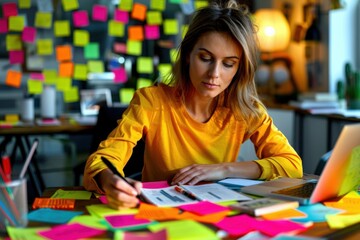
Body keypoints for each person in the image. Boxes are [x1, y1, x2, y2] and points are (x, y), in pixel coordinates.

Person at [83, 0, 303, 209]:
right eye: (206, 58)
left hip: (217, 214)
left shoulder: (245, 110)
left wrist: (223, 169)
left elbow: (292, 165)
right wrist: (109, 180)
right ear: (188, 55)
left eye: (228, 64)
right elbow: (103, 160)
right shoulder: (152, 101)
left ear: (239, 69)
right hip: (159, 214)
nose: (214, 74)